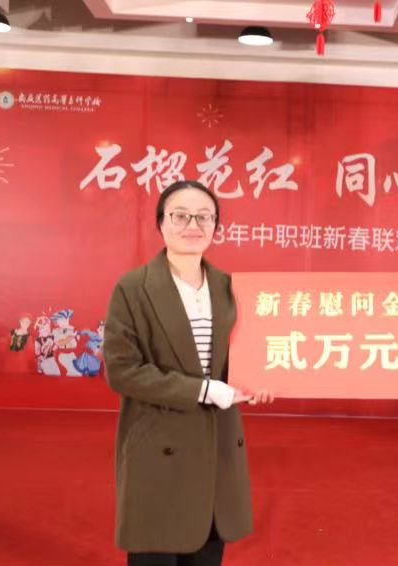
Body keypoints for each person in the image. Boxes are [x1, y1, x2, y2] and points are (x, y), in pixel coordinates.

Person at [103, 180, 274, 566]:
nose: (192, 225)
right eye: (180, 216)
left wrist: (259, 380)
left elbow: (244, 359)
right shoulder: (133, 288)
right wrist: (204, 390)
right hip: (158, 442)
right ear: (161, 223)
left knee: (207, 553)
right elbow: (122, 371)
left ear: (216, 226)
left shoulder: (232, 288)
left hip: (216, 444)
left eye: (204, 217)